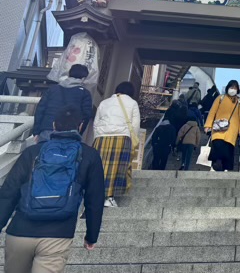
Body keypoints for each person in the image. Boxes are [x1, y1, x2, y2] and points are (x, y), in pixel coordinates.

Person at [0, 107, 104, 273]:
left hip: (20, 232)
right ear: (81, 125)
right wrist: (91, 236)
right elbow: (95, 200)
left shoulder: (32, 151)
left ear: (54, 125)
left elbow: (9, 191)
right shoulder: (90, 155)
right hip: (58, 235)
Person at [92, 82, 140, 208]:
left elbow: (96, 122)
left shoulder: (104, 102)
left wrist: (97, 135)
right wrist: (132, 140)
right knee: (116, 168)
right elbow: (135, 125)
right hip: (121, 137)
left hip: (101, 138)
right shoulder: (132, 103)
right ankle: (109, 197)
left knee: (99, 167)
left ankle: (93, 196)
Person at [32, 64, 93, 142]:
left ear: (69, 74)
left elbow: (40, 110)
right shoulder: (85, 93)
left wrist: (36, 132)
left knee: (43, 152)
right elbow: (86, 116)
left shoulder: (52, 89)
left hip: (47, 128)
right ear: (84, 78)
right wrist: (79, 133)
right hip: (70, 133)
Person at [204, 80, 240, 172]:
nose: (233, 89)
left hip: (231, 131)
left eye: (235, 88)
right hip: (218, 129)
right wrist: (208, 125)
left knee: (227, 150)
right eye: (231, 87)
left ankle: (224, 168)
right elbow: (212, 112)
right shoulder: (220, 98)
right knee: (218, 146)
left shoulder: (239, 102)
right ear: (227, 88)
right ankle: (217, 164)